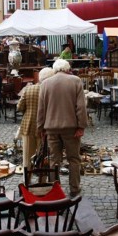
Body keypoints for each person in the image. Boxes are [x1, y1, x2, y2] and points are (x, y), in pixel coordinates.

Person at [37, 59, 88, 196]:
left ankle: (55, 189)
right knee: (73, 159)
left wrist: (41, 128)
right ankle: (74, 188)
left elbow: (41, 109)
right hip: (71, 128)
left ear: (55, 69)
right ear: (67, 68)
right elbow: (81, 107)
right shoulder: (76, 81)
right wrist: (81, 126)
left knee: (54, 160)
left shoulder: (45, 83)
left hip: (51, 128)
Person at [18, 67, 55, 169]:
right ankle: (42, 181)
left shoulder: (29, 89)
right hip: (45, 128)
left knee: (27, 158)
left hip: (28, 125)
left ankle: (26, 182)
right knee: (43, 158)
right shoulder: (51, 92)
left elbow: (19, 107)